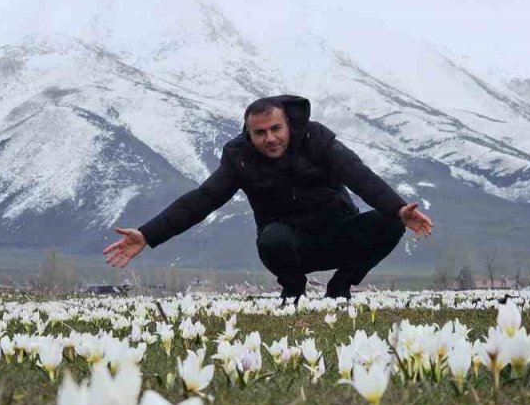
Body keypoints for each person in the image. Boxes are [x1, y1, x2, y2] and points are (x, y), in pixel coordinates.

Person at [103, 94, 434, 301]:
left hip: (340, 233)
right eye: (260, 133)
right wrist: (148, 234)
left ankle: (340, 288)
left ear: (288, 125)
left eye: (276, 129)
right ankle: (293, 290)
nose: (270, 138)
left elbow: (359, 175)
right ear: (249, 134)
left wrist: (398, 208)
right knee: (272, 238)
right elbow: (204, 199)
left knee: (389, 223)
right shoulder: (239, 157)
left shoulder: (317, 140)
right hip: (290, 245)